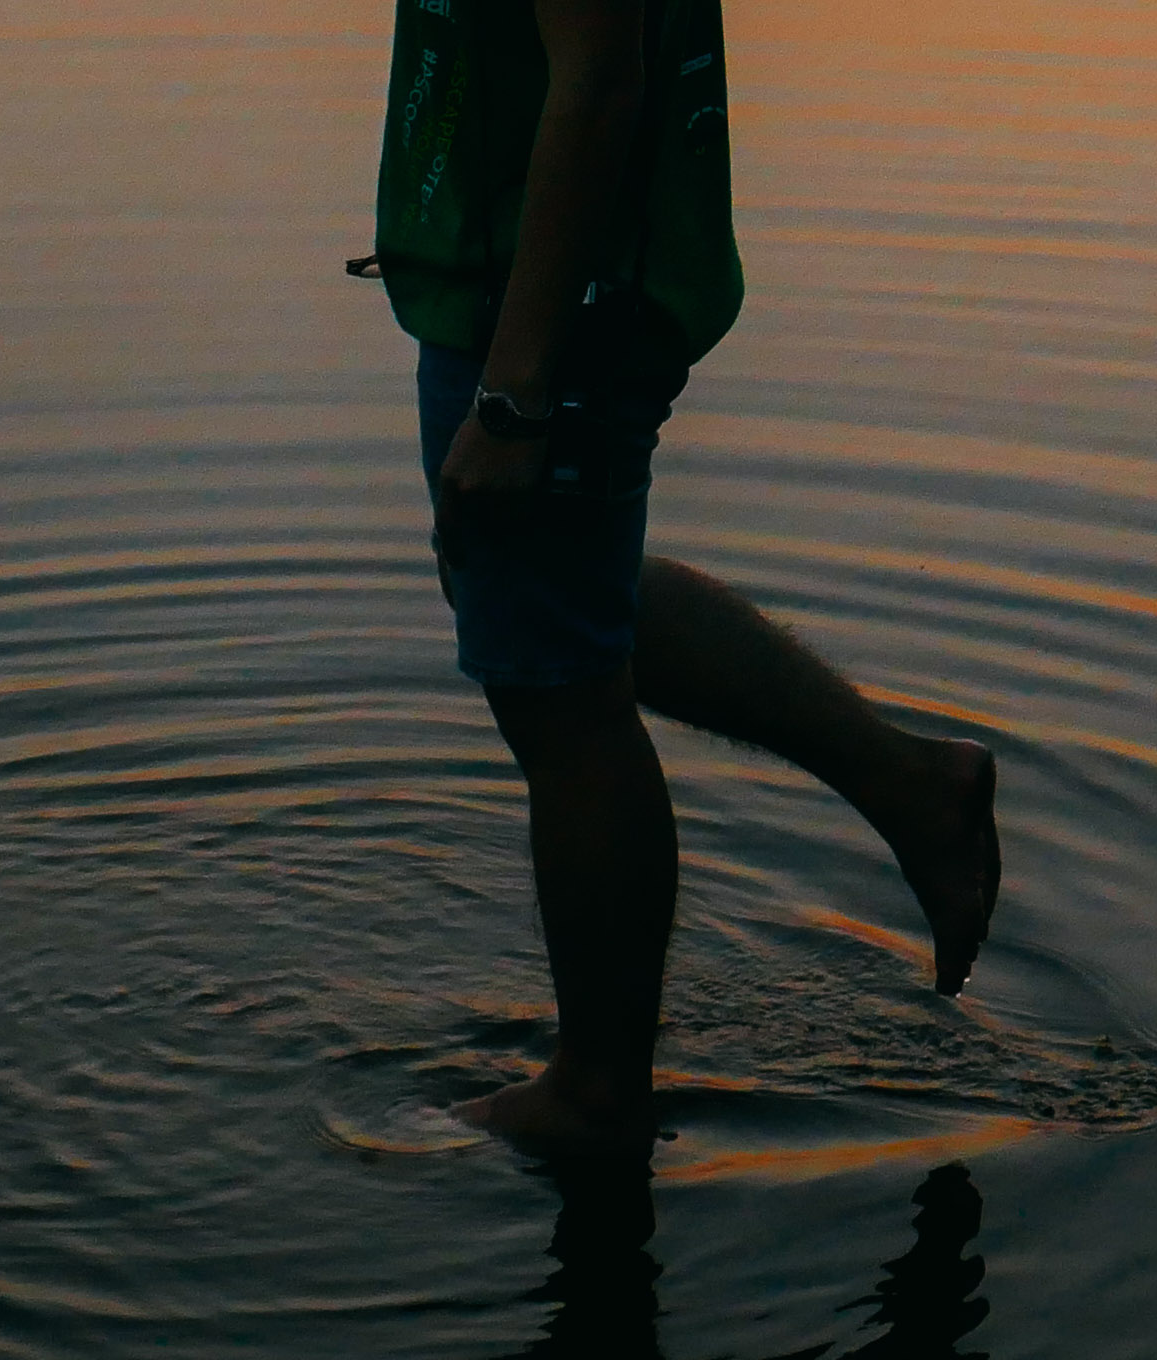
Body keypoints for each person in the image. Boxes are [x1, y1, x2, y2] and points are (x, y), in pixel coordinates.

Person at [365, 0, 1000, 1158]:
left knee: (559, 694)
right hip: (521, 279)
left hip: (553, 300)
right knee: (540, 602)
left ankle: (596, 1091)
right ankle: (912, 788)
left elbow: (600, 74)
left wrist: (514, 392)